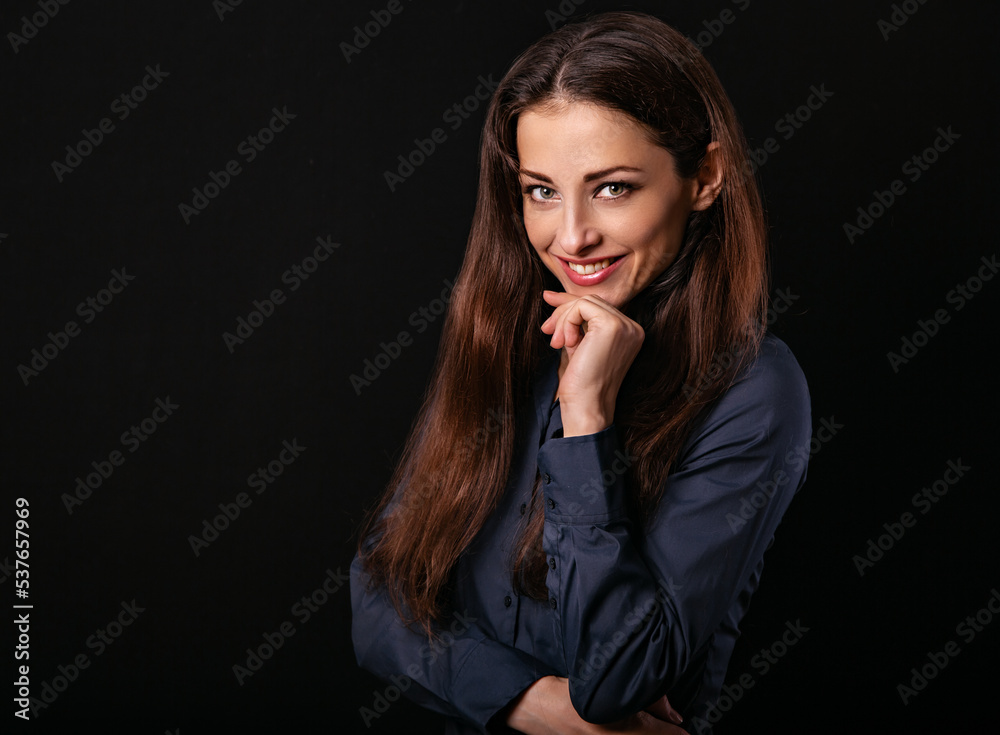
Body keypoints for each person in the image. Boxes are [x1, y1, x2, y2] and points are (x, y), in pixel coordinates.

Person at [351, 10, 811, 734]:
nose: (570, 237)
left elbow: (619, 676)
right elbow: (379, 605)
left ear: (706, 177)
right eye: (541, 190)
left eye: (613, 187)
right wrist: (540, 706)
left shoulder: (752, 390)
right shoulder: (505, 339)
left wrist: (587, 414)